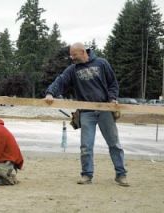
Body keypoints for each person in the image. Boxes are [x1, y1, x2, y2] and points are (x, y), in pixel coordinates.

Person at [44, 42, 129, 187]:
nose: (72, 58)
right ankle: (87, 174)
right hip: (86, 112)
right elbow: (61, 80)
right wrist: (50, 93)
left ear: (83, 52)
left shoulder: (102, 63)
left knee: (114, 144)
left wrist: (113, 98)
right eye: (71, 55)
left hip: (105, 110)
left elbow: (113, 83)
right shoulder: (73, 69)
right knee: (86, 146)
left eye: (74, 55)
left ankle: (121, 174)